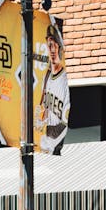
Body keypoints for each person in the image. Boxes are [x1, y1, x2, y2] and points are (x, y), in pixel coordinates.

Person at [34, 23, 70, 155]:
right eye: (50, 46)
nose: (52, 50)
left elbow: (64, 121)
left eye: (55, 45)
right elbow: (43, 104)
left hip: (57, 134)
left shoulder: (65, 77)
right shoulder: (47, 75)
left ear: (59, 47)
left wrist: (52, 143)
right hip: (46, 132)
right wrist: (39, 118)